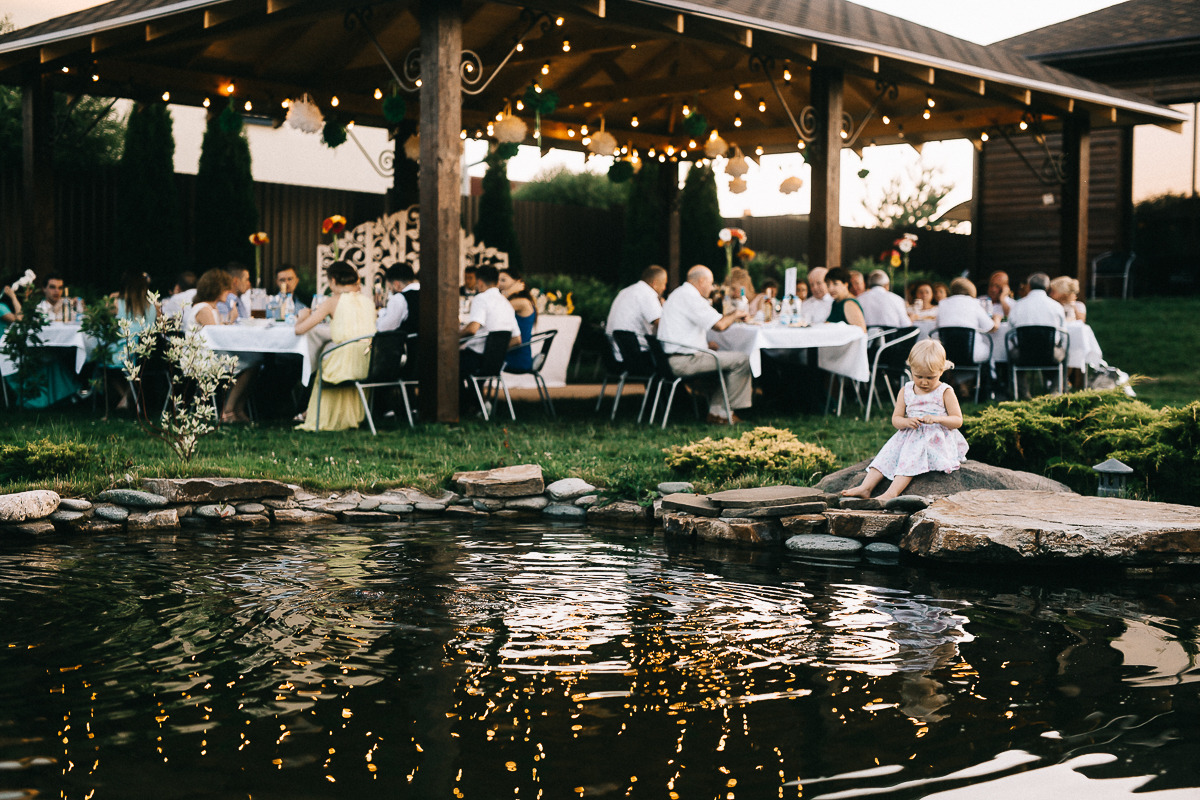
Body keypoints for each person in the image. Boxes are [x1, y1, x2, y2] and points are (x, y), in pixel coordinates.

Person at [840, 340, 968, 501]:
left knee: (911, 456)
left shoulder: (945, 391)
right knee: (887, 453)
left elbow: (957, 420)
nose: (923, 382)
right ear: (911, 369)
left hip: (935, 439)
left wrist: (937, 419)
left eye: (930, 377)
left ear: (941, 370)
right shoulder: (906, 390)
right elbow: (896, 420)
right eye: (918, 376)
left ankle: (891, 493)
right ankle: (866, 487)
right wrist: (907, 422)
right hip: (909, 435)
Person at [657, 264, 752, 425]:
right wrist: (737, 313)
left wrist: (704, 344)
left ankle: (716, 412)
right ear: (701, 281)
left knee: (726, 357)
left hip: (672, 358)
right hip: (684, 361)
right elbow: (720, 325)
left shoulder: (679, 294)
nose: (713, 287)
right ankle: (725, 412)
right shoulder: (691, 297)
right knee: (742, 360)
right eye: (711, 283)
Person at [295, 261, 377, 431]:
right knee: (328, 352)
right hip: (365, 362)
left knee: (322, 358)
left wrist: (302, 315)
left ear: (332, 280)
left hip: (341, 364)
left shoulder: (333, 302)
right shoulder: (368, 301)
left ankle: (318, 416)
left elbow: (300, 330)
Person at [184, 268, 261, 423]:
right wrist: (231, 320)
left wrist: (230, 320)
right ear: (217, 288)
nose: (229, 291)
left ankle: (236, 408)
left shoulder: (211, 308)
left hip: (211, 354)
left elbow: (217, 332)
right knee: (252, 363)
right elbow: (217, 336)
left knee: (255, 360)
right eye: (226, 288)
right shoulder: (204, 309)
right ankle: (229, 410)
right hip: (200, 360)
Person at [106, 271, 158, 410]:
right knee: (135, 371)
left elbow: (105, 322)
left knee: (103, 363)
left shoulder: (116, 303)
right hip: (148, 353)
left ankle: (125, 396)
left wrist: (112, 297)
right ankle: (128, 397)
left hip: (123, 351)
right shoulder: (153, 305)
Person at [459, 265, 518, 379]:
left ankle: (462, 396)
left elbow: (472, 329)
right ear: (497, 282)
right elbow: (517, 339)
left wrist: (452, 338)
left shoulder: (481, 298)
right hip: (495, 364)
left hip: (476, 359)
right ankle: (472, 395)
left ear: (479, 282)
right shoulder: (506, 304)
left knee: (446, 360)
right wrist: (495, 353)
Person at [605, 265, 666, 357]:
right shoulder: (648, 294)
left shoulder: (625, 291)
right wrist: (665, 308)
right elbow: (661, 324)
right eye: (664, 284)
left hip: (617, 350)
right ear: (655, 283)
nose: (664, 288)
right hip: (637, 354)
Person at [936, 277, 998, 363]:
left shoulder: (942, 303)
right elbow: (991, 328)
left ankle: (952, 375)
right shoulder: (974, 303)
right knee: (988, 348)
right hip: (972, 353)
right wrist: (997, 319)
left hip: (947, 354)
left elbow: (936, 329)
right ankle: (988, 375)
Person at [498, 267, 537, 371]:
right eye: (497, 280)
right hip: (512, 351)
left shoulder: (521, 302)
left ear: (517, 282)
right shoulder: (516, 300)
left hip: (516, 356)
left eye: (503, 280)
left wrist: (509, 292)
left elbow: (495, 310)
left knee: (477, 357)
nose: (499, 284)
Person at [376, 262, 420, 334]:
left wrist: (382, 313)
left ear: (396, 284)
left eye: (390, 288)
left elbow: (384, 327)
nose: (391, 291)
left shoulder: (399, 298)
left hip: (411, 343)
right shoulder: (426, 293)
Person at [825, 267, 867, 331]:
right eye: (828, 285)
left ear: (846, 284)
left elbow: (861, 332)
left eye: (835, 284)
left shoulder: (849, 304)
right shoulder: (836, 302)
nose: (830, 288)